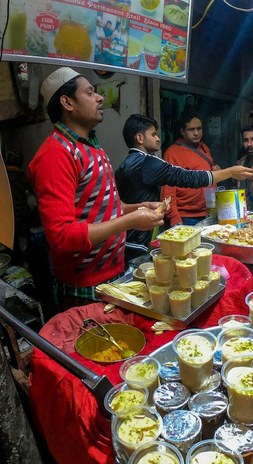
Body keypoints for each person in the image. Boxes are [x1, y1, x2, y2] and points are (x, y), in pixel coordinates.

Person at [28, 67, 165, 309]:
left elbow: (103, 208)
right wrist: (131, 221)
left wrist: (138, 207)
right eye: (90, 92)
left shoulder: (91, 146)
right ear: (67, 102)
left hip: (114, 275)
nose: (100, 97)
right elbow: (61, 237)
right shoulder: (56, 155)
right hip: (84, 289)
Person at [115, 114, 253, 255]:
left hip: (128, 238)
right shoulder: (146, 161)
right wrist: (229, 172)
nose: (158, 138)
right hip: (138, 240)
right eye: (153, 134)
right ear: (139, 138)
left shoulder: (126, 163)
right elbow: (187, 177)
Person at [161, 108, 221, 226]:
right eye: (191, 129)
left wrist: (217, 171)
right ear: (182, 131)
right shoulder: (172, 153)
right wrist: (175, 219)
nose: (196, 133)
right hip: (186, 218)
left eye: (199, 129)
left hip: (208, 214)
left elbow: (209, 175)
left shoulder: (204, 148)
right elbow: (168, 191)